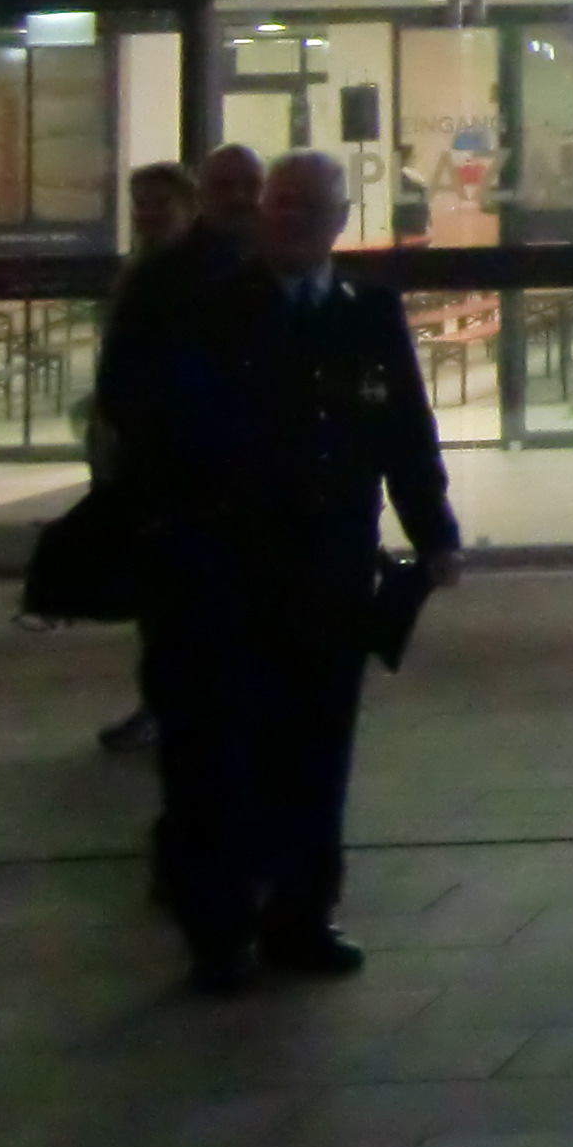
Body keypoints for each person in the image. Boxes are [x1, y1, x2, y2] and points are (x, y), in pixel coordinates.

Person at [147, 149, 458, 991]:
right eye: (279, 205)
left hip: (329, 569)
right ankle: (220, 929)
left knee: (317, 746)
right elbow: (170, 439)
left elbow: (403, 428)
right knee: (228, 752)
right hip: (232, 570)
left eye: (309, 209)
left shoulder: (366, 312)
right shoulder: (209, 311)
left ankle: (302, 914)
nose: (290, 221)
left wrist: (433, 529)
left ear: (336, 221)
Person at [88, 158, 211, 758]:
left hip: (175, 461)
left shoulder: (191, 279)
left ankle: (174, 707)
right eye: (139, 204)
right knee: (157, 599)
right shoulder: (143, 272)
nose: (146, 215)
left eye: (158, 203)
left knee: (174, 601)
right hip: (141, 454)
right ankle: (163, 703)